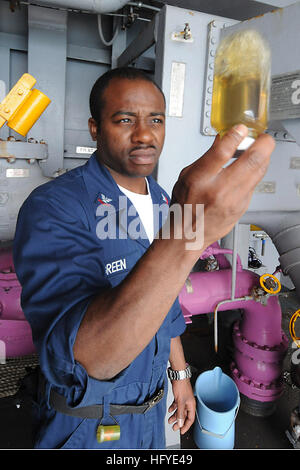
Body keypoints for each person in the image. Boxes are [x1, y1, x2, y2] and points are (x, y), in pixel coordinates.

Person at [13, 67, 275, 449]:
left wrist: (180, 375)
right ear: (94, 128)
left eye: (155, 119)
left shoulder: (161, 199)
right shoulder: (54, 206)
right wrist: (189, 236)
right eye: (124, 119)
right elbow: (88, 361)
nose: (145, 134)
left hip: (152, 411)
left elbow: (163, 299)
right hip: (89, 424)